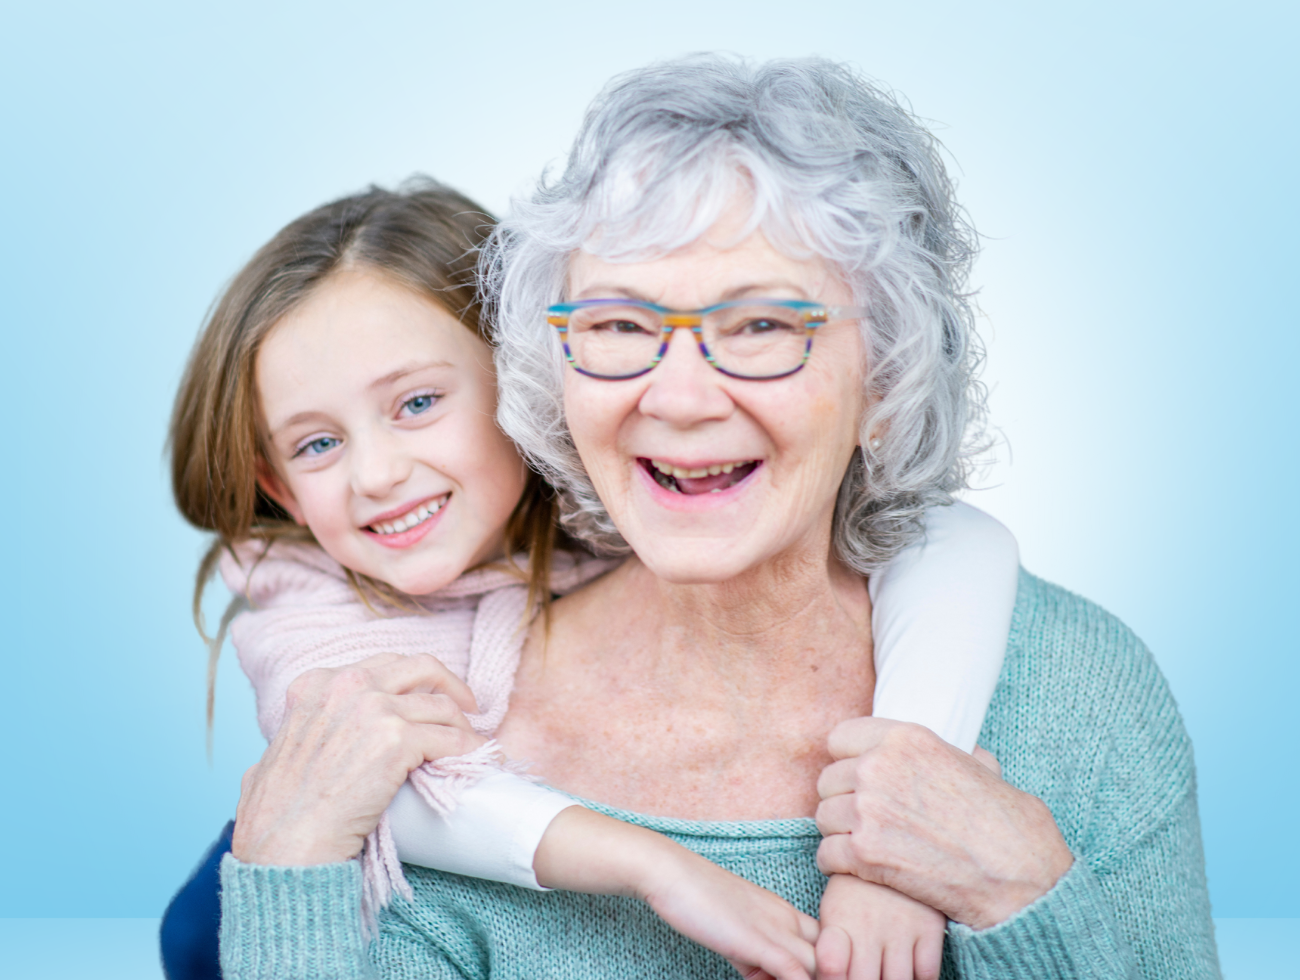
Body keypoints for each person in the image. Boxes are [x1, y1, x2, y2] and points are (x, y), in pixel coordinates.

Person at [217, 56, 1221, 980]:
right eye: (617, 325)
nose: (682, 396)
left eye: (762, 326)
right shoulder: (448, 724)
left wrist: (1019, 894)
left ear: (888, 380)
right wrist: (281, 866)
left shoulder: (1075, 694)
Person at [161, 179, 1021, 980]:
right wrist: (661, 868)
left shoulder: (619, 499)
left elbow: (949, 536)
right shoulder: (303, 612)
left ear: (524, 380)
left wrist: (899, 816)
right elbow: (398, 793)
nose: (376, 473)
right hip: (245, 922)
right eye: (317, 444)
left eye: (418, 404)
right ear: (277, 485)